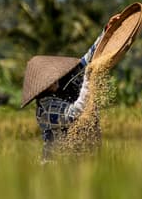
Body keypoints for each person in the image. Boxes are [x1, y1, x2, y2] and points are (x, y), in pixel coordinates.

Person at [21, 12, 123, 161]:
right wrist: (89, 77)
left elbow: (88, 60)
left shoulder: (64, 83)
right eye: (49, 80)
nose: (54, 79)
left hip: (82, 163)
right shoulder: (46, 109)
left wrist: (107, 31)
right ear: (42, 88)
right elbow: (77, 111)